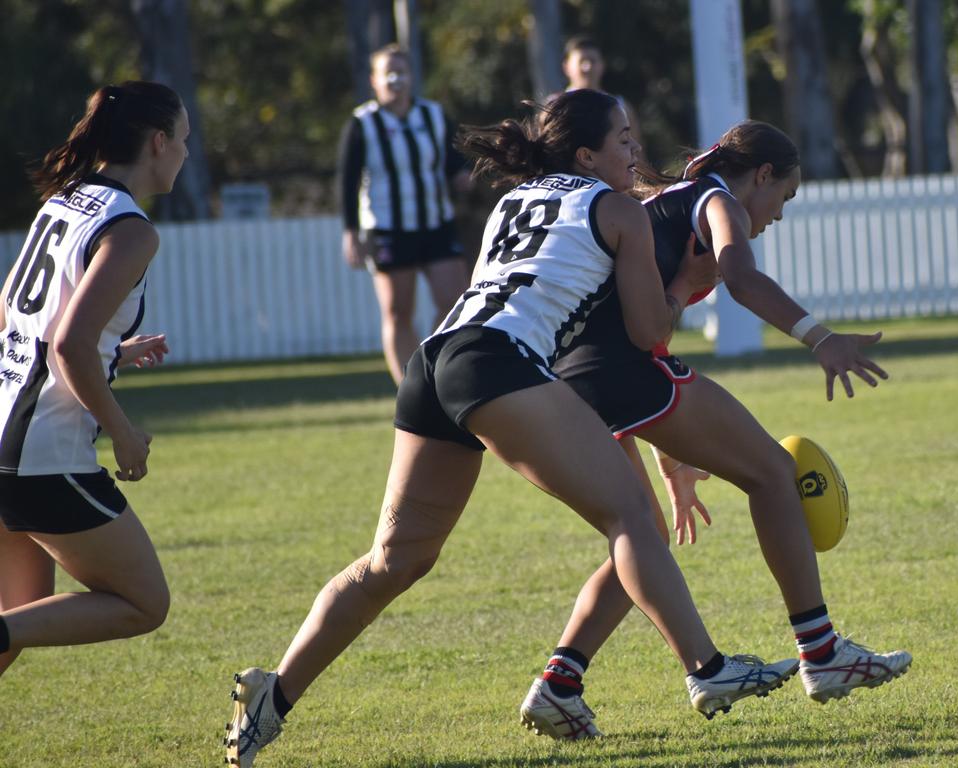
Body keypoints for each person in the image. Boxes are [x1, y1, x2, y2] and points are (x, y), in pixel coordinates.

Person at [224, 91, 797, 768]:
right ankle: (707, 667)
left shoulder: (515, 200)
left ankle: (274, 694)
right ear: (587, 155)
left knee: (394, 561)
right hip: (497, 365)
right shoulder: (617, 210)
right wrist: (686, 285)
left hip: (434, 360)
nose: (634, 151)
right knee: (633, 517)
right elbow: (648, 333)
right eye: (621, 139)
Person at [519, 120, 913, 739]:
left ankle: (559, 684)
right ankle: (822, 652)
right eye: (783, 197)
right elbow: (738, 274)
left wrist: (673, 466)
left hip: (568, 378)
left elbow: (641, 322)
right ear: (761, 177)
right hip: (613, 370)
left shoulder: (664, 206)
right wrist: (821, 337)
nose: (778, 215)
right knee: (773, 473)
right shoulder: (715, 199)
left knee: (639, 538)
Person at [0, 81, 189, 677]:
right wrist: (124, 433)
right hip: (43, 455)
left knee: (18, 624)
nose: (187, 152)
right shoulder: (132, 231)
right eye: (184, 140)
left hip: (5, 432)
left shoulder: (66, 199)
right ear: (158, 143)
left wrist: (115, 353)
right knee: (143, 603)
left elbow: (16, 316)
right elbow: (68, 344)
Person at [339, 43, 472, 385]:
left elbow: (454, 160)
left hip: (435, 222)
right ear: (375, 80)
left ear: (413, 77)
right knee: (399, 312)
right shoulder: (362, 123)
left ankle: (431, 368)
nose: (396, 80)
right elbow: (347, 180)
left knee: (456, 301)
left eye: (402, 72)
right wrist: (351, 232)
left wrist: (464, 176)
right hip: (388, 228)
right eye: (389, 73)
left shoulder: (432, 115)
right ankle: (409, 388)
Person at [553, 35, 642, 146]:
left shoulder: (621, 107)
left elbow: (636, 156)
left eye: (593, 61)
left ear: (602, 65)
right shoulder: (555, 107)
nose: (588, 67)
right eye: (582, 61)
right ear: (566, 67)